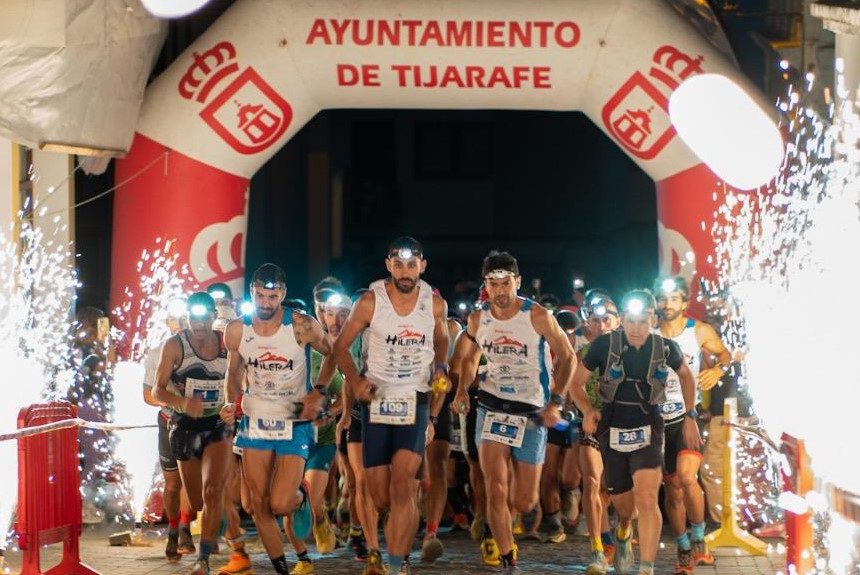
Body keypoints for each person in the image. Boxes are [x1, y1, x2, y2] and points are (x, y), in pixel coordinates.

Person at [327, 237, 450, 575]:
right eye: (399, 264)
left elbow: (442, 337)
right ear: (389, 266)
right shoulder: (370, 302)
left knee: (403, 484)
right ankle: (391, 551)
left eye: (412, 265)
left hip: (415, 398)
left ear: (422, 266)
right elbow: (340, 347)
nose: (406, 271)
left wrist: (441, 365)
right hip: (377, 401)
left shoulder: (435, 303)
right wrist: (355, 382)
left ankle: (396, 563)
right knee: (380, 496)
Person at [452, 250, 576, 575]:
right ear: (486, 286)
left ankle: (511, 528)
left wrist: (556, 402)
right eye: (493, 284)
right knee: (495, 486)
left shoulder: (535, 316)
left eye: (506, 283)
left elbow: (568, 357)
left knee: (524, 502)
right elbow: (466, 357)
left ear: (517, 282)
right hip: (492, 406)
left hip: (532, 411)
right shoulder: (479, 319)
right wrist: (463, 389)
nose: (500, 291)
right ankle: (508, 560)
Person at [571, 290, 701, 575]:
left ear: (652, 319)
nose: (636, 328)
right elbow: (576, 384)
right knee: (625, 507)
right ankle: (624, 529)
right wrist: (588, 410)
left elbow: (686, 376)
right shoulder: (603, 346)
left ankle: (646, 566)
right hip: (612, 427)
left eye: (643, 321)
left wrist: (690, 414)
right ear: (624, 321)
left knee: (647, 498)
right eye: (631, 321)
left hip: (649, 426)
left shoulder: (665, 347)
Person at [220, 264, 335, 575]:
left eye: (272, 296)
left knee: (281, 504)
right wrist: (232, 401)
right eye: (260, 295)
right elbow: (234, 372)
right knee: (256, 504)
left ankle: (302, 496)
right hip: (256, 418)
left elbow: (333, 354)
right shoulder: (236, 330)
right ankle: (281, 568)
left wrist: (318, 393)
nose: (265, 303)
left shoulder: (301, 325)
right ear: (252, 293)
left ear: (282, 294)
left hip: (294, 420)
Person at [654, 276, 732, 573]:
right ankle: (684, 546)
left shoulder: (698, 330)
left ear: (684, 303)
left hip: (688, 415)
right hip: (658, 420)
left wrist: (717, 371)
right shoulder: (646, 332)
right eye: (663, 299)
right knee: (672, 488)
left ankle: (700, 539)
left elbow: (724, 354)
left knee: (687, 478)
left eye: (674, 299)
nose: (667, 304)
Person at [152, 292, 232, 575]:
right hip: (184, 426)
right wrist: (183, 403)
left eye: (204, 318)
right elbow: (157, 390)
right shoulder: (175, 346)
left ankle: (204, 559)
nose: (199, 325)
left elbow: (241, 377)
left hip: (217, 426)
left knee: (214, 492)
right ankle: (181, 528)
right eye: (193, 318)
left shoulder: (227, 343)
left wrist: (234, 403)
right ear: (187, 318)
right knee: (196, 501)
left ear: (214, 316)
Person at [142, 303, 196, 562]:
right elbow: (147, 395)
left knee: (190, 481)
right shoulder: (157, 352)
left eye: (182, 318)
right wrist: (174, 401)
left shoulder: (204, 348)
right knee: (173, 483)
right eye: (173, 319)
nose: (179, 323)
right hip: (169, 422)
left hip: (194, 424)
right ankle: (174, 530)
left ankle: (186, 527)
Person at [577, 296, 623, 575]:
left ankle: (623, 532)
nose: (602, 325)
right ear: (587, 323)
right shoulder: (582, 353)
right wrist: (587, 410)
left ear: (617, 321)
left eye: (607, 319)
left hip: (626, 427)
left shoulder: (633, 347)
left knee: (615, 492)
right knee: (592, 483)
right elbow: (574, 385)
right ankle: (599, 548)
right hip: (594, 427)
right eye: (595, 320)